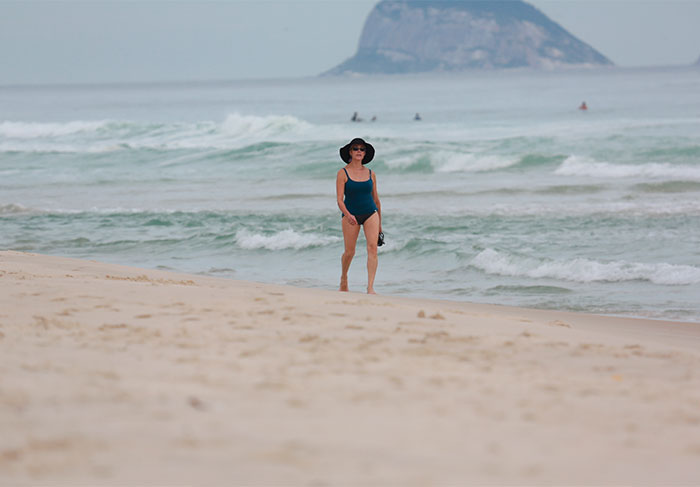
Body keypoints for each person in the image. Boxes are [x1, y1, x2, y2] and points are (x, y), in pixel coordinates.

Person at [336, 138, 382, 294]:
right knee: (350, 252)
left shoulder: (371, 173)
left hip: (371, 212)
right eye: (355, 148)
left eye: (362, 149)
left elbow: (376, 200)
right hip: (351, 214)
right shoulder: (342, 173)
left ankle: (370, 287)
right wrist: (348, 215)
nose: (359, 151)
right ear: (350, 152)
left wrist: (380, 224)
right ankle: (344, 278)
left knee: (372, 248)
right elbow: (339, 200)